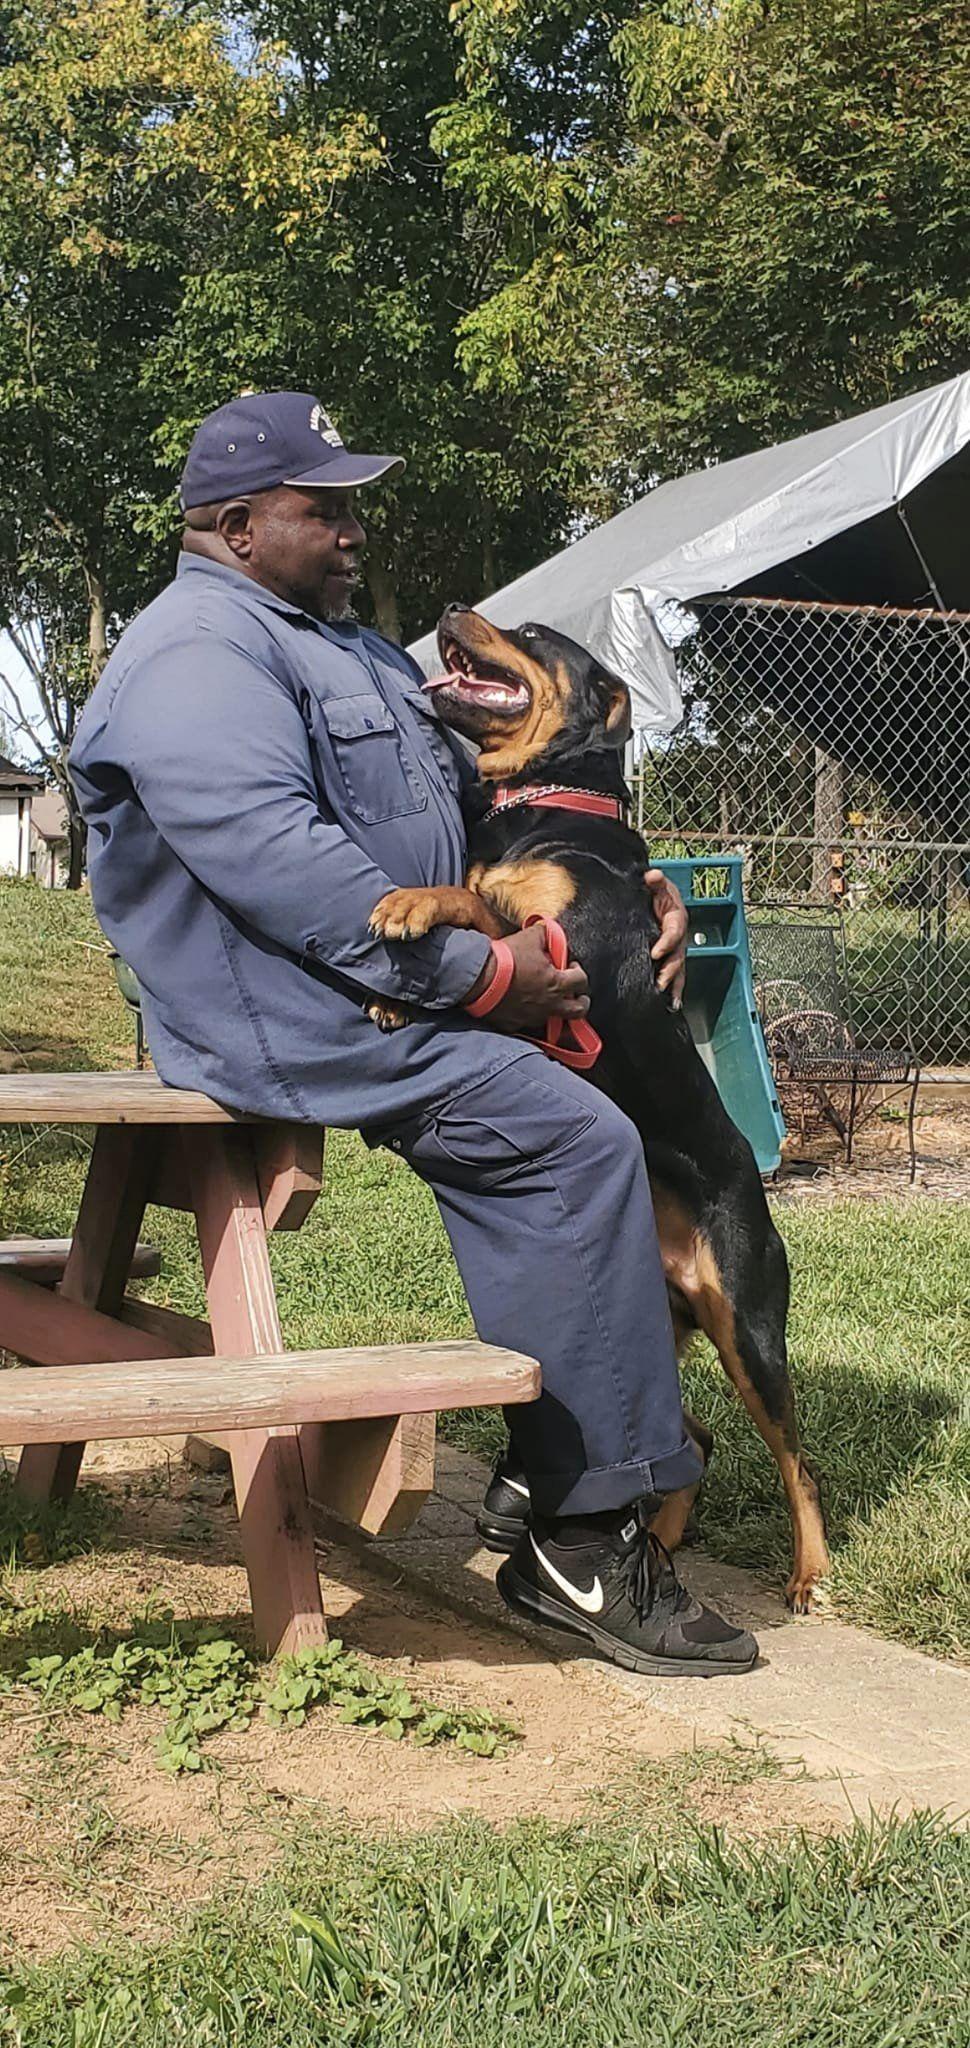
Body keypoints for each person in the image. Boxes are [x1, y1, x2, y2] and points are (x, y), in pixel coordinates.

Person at [70, 391, 757, 1676]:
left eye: (353, 508)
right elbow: (285, 867)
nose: (353, 533)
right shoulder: (193, 658)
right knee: (570, 1140)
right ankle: (582, 1536)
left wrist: (623, 886)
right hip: (283, 1012)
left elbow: (503, 795)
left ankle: (557, 1466)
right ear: (235, 525)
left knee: (581, 1129)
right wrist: (485, 977)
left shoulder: (358, 652)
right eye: (322, 509)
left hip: (381, 987)